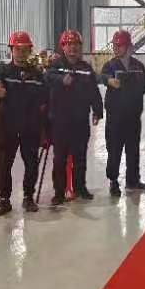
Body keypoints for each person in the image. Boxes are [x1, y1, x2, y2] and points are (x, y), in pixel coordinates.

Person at [0, 31, 48, 216]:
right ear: (11, 50)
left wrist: (46, 126)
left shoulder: (37, 74)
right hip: (7, 126)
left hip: (31, 127)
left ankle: (28, 197)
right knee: (4, 163)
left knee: (31, 163)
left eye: (25, 50)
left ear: (30, 51)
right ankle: (4, 200)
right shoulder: (3, 71)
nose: (21, 53)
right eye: (17, 49)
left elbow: (46, 98)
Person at [45, 30, 103, 205]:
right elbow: (47, 77)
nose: (73, 48)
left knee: (80, 157)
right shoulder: (55, 65)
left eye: (76, 45)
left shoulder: (86, 68)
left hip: (80, 120)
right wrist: (61, 79)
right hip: (60, 121)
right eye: (69, 45)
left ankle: (80, 188)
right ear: (63, 47)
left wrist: (97, 111)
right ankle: (59, 192)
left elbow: (94, 91)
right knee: (60, 158)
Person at [100, 30, 145, 196]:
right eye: (115, 45)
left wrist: (132, 88)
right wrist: (110, 80)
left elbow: (144, 87)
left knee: (133, 149)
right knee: (114, 149)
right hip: (115, 118)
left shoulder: (138, 66)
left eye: (120, 45)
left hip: (133, 117)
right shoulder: (110, 65)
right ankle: (113, 181)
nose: (116, 48)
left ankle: (132, 180)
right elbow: (102, 76)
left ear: (129, 47)